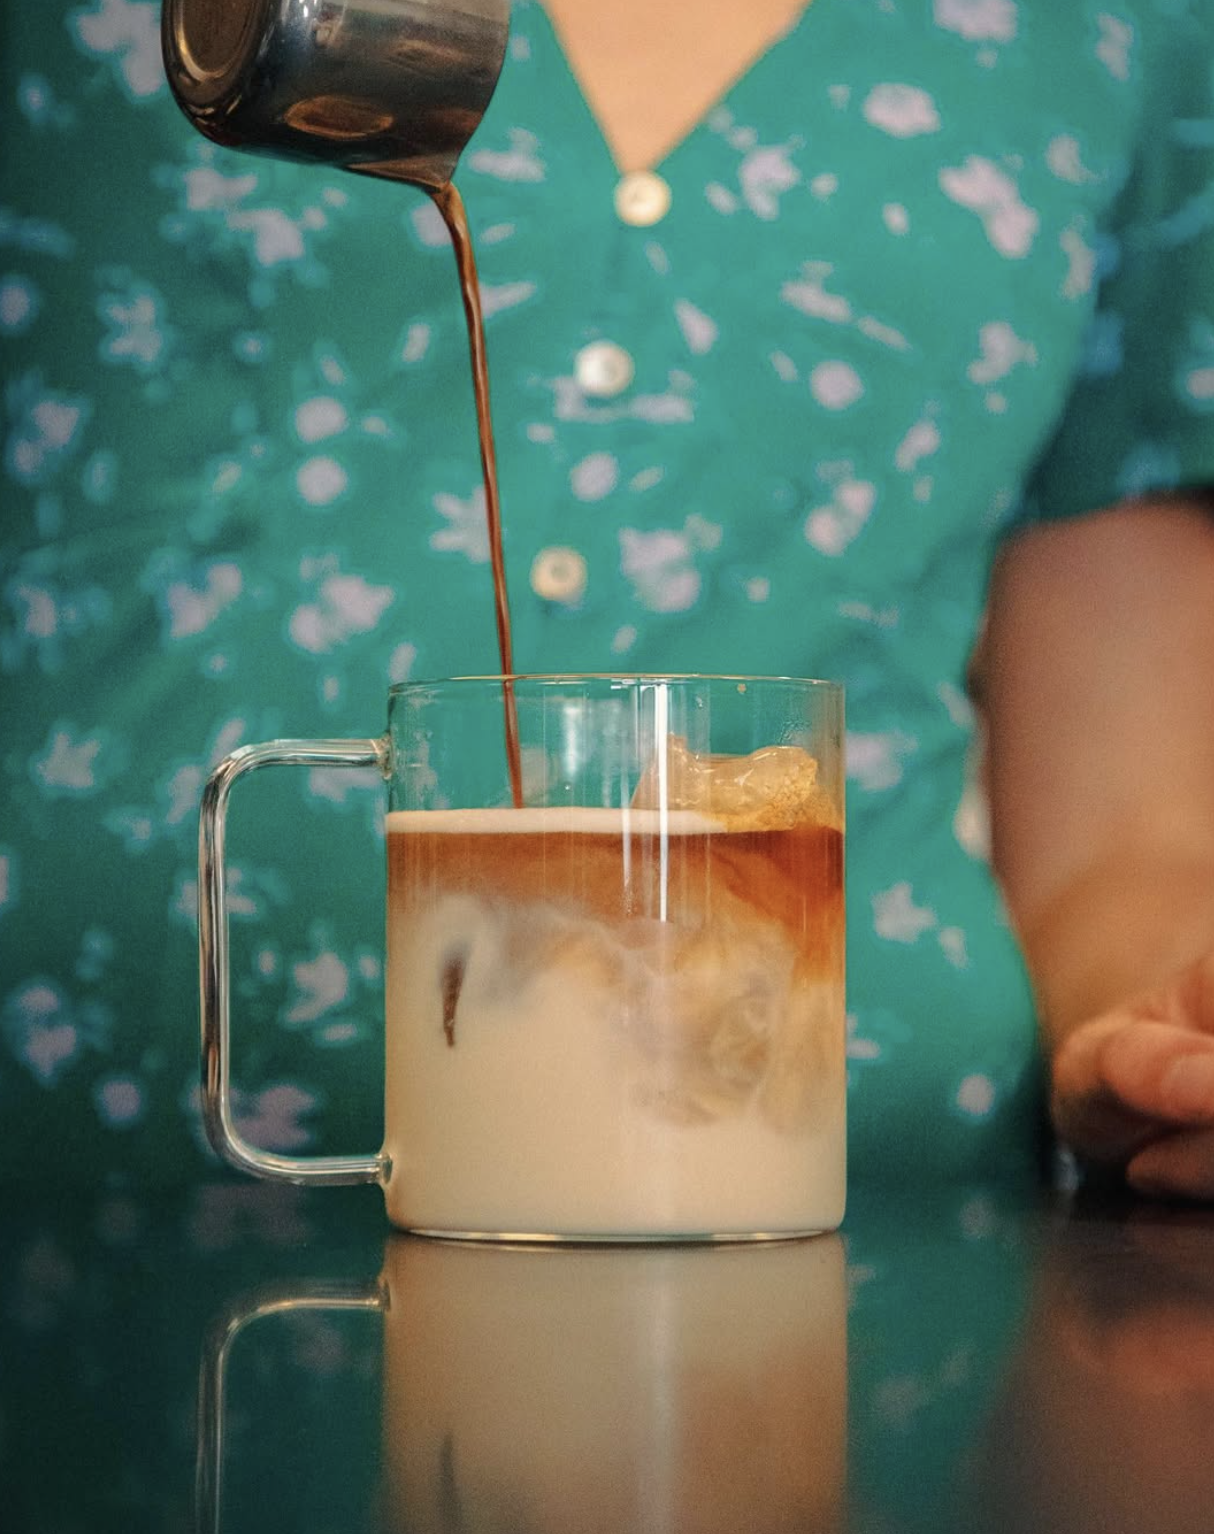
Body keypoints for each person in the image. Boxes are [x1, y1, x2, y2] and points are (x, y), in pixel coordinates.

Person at [1, 0, 1212, 1197]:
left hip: (860, 1247)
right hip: (77, 1206)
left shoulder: (1129, 31)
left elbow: (1124, 839)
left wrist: (1165, 1044)